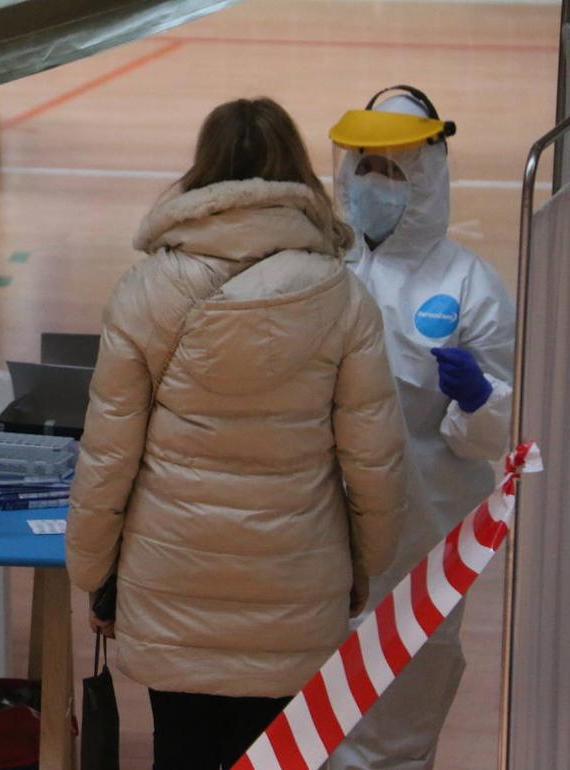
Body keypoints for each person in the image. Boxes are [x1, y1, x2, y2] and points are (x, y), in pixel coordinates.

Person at [65, 97, 409, 770]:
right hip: (296, 581)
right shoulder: (342, 297)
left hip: (171, 580)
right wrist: (366, 561)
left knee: (183, 753)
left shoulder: (144, 291)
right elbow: (374, 458)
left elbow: (108, 458)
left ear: (203, 172)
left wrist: (95, 574)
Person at [326, 86, 515, 770]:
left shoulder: (472, 288)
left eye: (394, 171)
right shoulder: (320, 267)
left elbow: (502, 437)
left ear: (427, 177)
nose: (375, 184)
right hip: (321, 534)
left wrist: (479, 402)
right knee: (314, 711)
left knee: (397, 715)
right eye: (365, 167)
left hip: (423, 540)